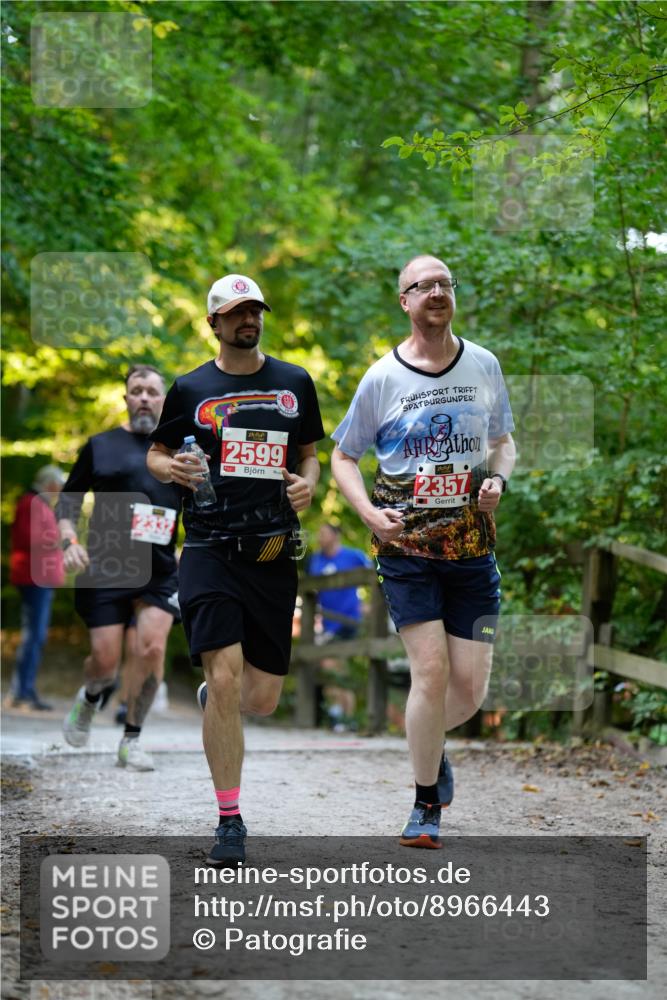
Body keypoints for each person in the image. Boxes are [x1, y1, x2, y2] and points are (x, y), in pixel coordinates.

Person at [331, 254, 516, 848]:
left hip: (473, 550)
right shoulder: (382, 377)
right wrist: (368, 513)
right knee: (430, 673)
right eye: (423, 285)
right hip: (405, 550)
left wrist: (498, 479)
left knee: (470, 692)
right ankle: (425, 803)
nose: (437, 292)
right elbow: (342, 456)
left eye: (445, 284)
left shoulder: (483, 364)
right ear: (404, 300)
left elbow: (504, 442)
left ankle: (429, 743)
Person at [147, 273, 323, 866]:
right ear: (214, 323)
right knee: (225, 679)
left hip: (271, 554)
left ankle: (215, 698)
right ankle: (229, 821)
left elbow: (309, 456)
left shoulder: (294, 382)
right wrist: (172, 471)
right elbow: (157, 453)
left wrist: (307, 486)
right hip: (208, 549)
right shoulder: (190, 388)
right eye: (237, 312)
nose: (249, 320)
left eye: (256, 311)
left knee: (262, 698)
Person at [57, 366, 181, 771]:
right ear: (126, 398)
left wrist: (193, 550)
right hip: (106, 567)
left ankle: (133, 738)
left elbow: (203, 508)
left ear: (164, 400)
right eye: (136, 390)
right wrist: (69, 541)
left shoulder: (181, 451)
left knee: (152, 648)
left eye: (152, 391)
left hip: (159, 570)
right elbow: (68, 501)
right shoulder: (100, 445)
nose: (144, 397)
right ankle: (91, 696)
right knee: (104, 663)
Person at [8, 465, 66, 710]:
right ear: (50, 484)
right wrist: (60, 539)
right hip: (33, 578)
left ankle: (24, 690)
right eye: (59, 485)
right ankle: (22, 691)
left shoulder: (39, 503)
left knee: (35, 636)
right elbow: (27, 538)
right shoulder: (30, 502)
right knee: (34, 636)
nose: (60, 489)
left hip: (40, 578)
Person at [308, 523, 372, 727]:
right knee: (338, 669)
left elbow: (375, 575)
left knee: (331, 665)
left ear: (336, 535)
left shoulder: (353, 556)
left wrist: (369, 604)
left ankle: (340, 716)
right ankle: (345, 718)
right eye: (319, 533)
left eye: (324, 533)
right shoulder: (316, 559)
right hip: (328, 623)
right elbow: (311, 592)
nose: (320, 536)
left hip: (349, 621)